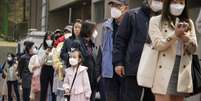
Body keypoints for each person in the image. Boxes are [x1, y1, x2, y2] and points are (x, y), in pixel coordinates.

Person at [112, 0, 163, 101]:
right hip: (133, 67)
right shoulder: (131, 15)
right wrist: (118, 62)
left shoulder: (164, 18)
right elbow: (120, 40)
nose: (159, 2)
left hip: (155, 68)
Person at [148, 0, 197, 101]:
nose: (178, 5)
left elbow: (193, 49)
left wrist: (187, 39)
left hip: (182, 68)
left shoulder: (189, 22)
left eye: (181, 3)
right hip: (163, 67)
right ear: (167, 3)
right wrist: (175, 35)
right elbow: (158, 45)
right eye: (174, 1)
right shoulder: (156, 20)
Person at [101, 0, 128, 101]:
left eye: (117, 5)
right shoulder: (106, 26)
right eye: (112, 5)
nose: (114, 8)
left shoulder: (130, 23)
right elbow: (102, 48)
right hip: (109, 70)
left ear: (125, 7)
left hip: (125, 69)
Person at [71, 20, 100, 101]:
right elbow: (73, 62)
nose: (95, 32)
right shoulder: (77, 43)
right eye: (94, 29)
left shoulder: (92, 44)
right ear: (88, 30)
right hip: (82, 80)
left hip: (93, 80)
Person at [40, 33, 56, 101]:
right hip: (45, 68)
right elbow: (40, 62)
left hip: (53, 69)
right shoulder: (42, 48)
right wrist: (46, 53)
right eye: (47, 39)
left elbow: (56, 60)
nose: (49, 40)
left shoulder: (55, 48)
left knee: (53, 90)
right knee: (43, 89)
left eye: (50, 39)